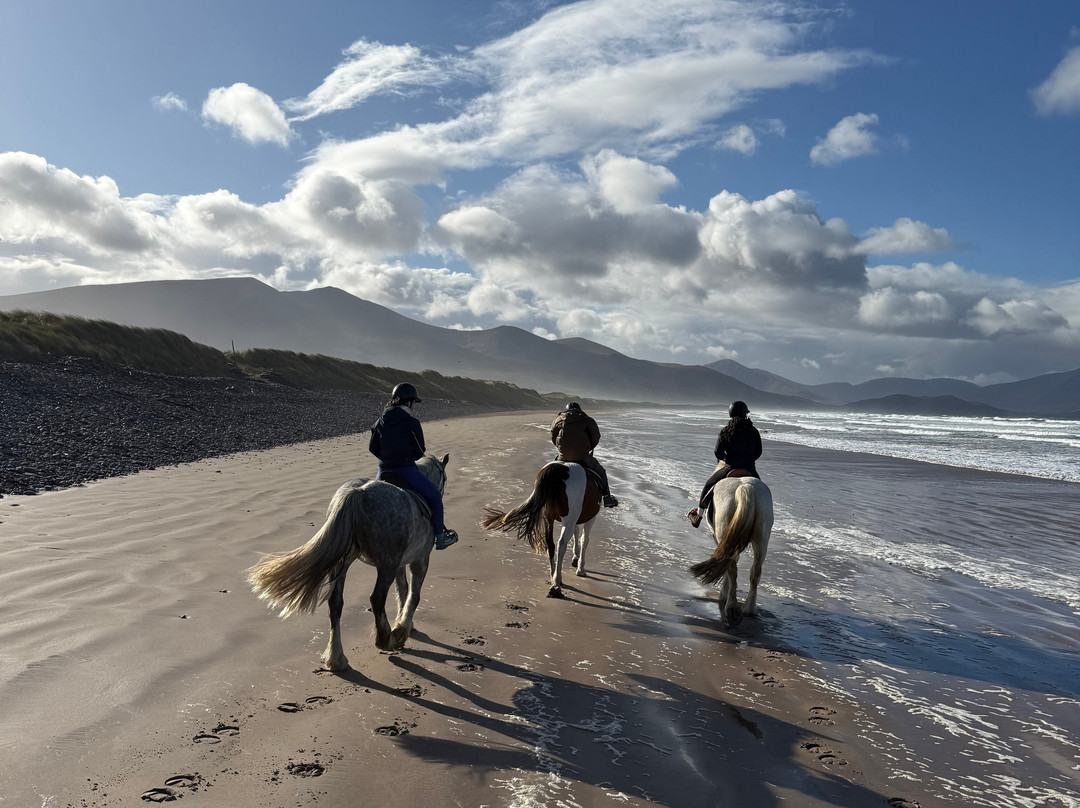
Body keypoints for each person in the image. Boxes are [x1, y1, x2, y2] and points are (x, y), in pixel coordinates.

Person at [369, 382, 458, 550]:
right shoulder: (411, 423)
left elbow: (372, 447)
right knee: (435, 497)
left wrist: (387, 458)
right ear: (409, 402)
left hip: (383, 471)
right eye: (413, 403)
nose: (414, 406)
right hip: (405, 470)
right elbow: (419, 452)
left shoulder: (379, 421)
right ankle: (440, 538)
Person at [687, 400, 762, 528]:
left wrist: (727, 459)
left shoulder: (726, 431)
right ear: (745, 414)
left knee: (708, 486)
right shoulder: (754, 431)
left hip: (729, 468)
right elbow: (758, 452)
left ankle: (698, 516)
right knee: (761, 492)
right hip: (749, 469)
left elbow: (718, 452)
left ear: (730, 414)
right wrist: (748, 460)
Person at [550, 402, 619, 508]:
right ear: (580, 410)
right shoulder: (588, 420)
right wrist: (588, 448)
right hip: (583, 457)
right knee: (601, 472)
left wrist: (561, 449)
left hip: (563, 456)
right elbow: (595, 437)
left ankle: (543, 498)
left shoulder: (558, 419)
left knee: (549, 472)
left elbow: (553, 437)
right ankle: (607, 498)